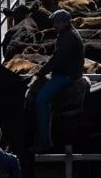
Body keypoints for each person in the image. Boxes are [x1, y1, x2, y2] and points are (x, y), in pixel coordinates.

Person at [32, 9, 85, 152]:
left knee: (41, 99)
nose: (54, 25)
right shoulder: (67, 34)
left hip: (66, 76)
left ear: (65, 22)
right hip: (68, 73)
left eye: (57, 22)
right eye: (54, 22)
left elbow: (57, 59)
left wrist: (42, 71)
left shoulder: (67, 37)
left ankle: (44, 141)